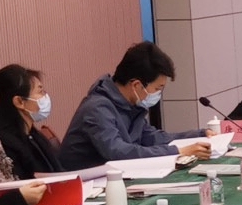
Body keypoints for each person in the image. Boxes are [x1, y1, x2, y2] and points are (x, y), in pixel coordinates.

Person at [59, 41, 185, 169]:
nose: (158, 94)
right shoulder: (97, 109)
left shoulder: (131, 106)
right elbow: (118, 152)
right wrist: (176, 151)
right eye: (158, 88)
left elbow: (151, 137)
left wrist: (195, 137)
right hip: (83, 179)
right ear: (137, 85)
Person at [0, 63, 64, 176]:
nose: (45, 97)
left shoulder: (33, 135)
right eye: (40, 92)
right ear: (19, 102)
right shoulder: (5, 143)